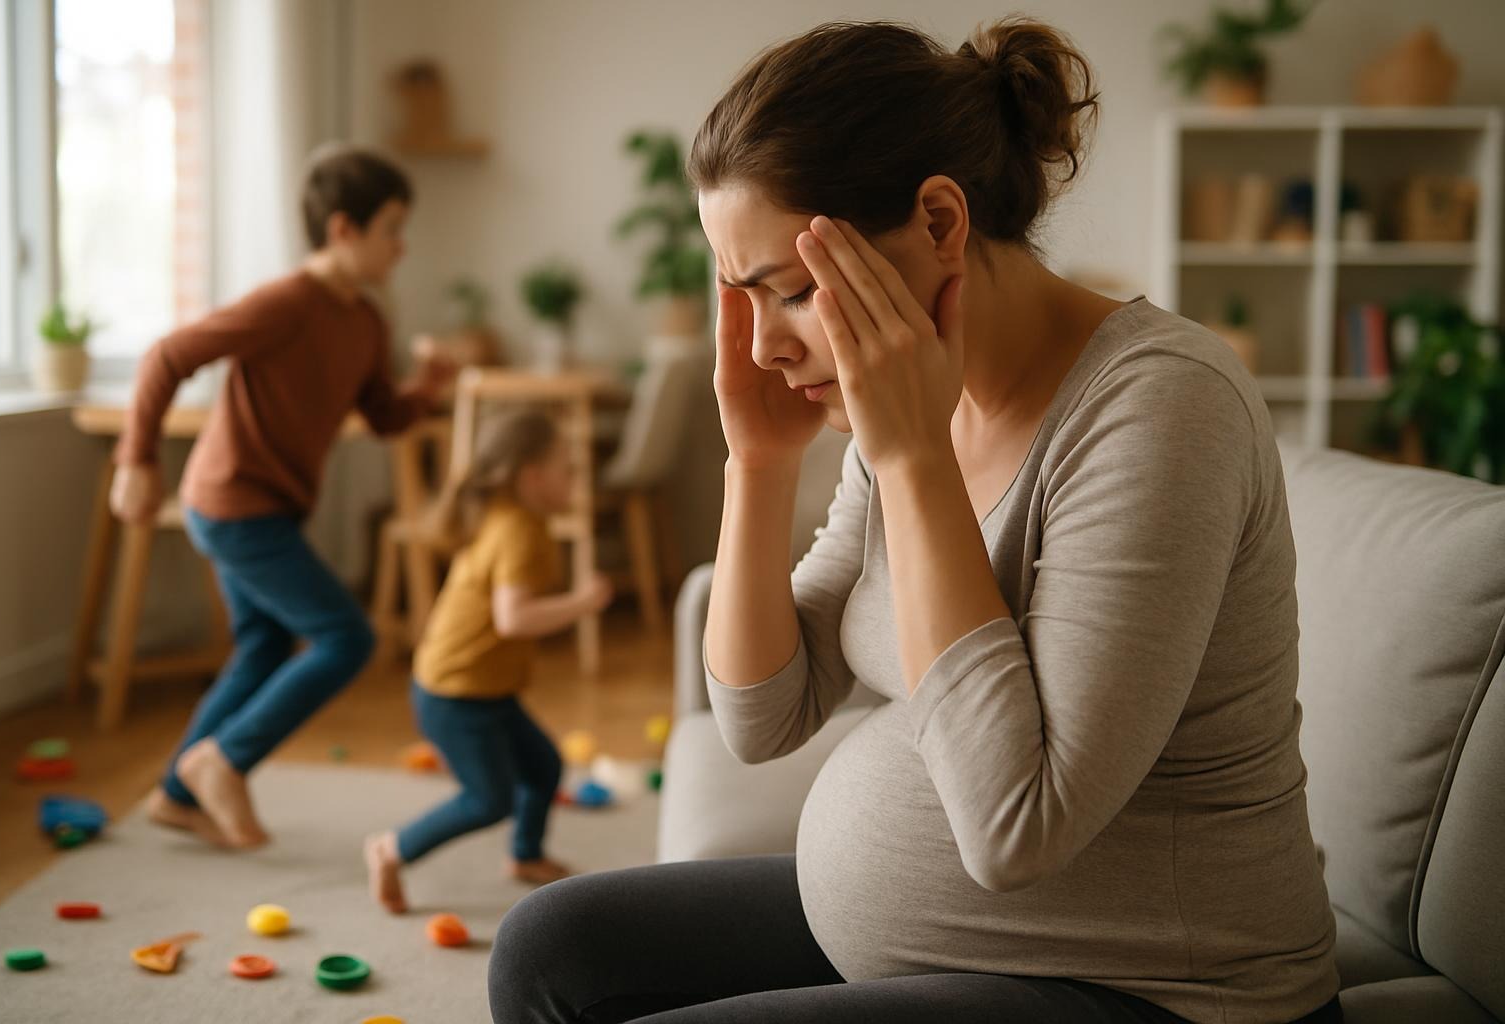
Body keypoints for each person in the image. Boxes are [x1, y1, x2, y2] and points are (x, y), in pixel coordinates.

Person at [488, 17, 1343, 1024]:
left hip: (1159, 992)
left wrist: (909, 460)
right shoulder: (918, 406)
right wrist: (757, 466)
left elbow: (1015, 826)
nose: (764, 344)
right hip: (965, 946)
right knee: (548, 950)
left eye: (795, 291)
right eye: (742, 297)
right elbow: (765, 715)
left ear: (941, 223)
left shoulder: (1160, 407)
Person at [111, 144, 456, 849]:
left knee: (265, 647)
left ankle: (179, 793)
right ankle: (220, 761)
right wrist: (136, 459)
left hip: (268, 507)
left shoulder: (365, 321)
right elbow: (166, 357)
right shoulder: (285, 304)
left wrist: (427, 387)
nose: (402, 245)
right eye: (391, 227)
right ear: (342, 230)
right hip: (232, 502)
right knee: (346, 635)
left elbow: (383, 415)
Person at [365, 408, 613, 911]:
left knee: (543, 766)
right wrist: (583, 603)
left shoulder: (523, 521)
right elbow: (514, 619)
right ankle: (390, 849)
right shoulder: (517, 530)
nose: (576, 478)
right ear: (533, 477)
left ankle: (525, 856)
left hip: (486, 690)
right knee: (488, 798)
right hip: (455, 695)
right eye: (567, 468)